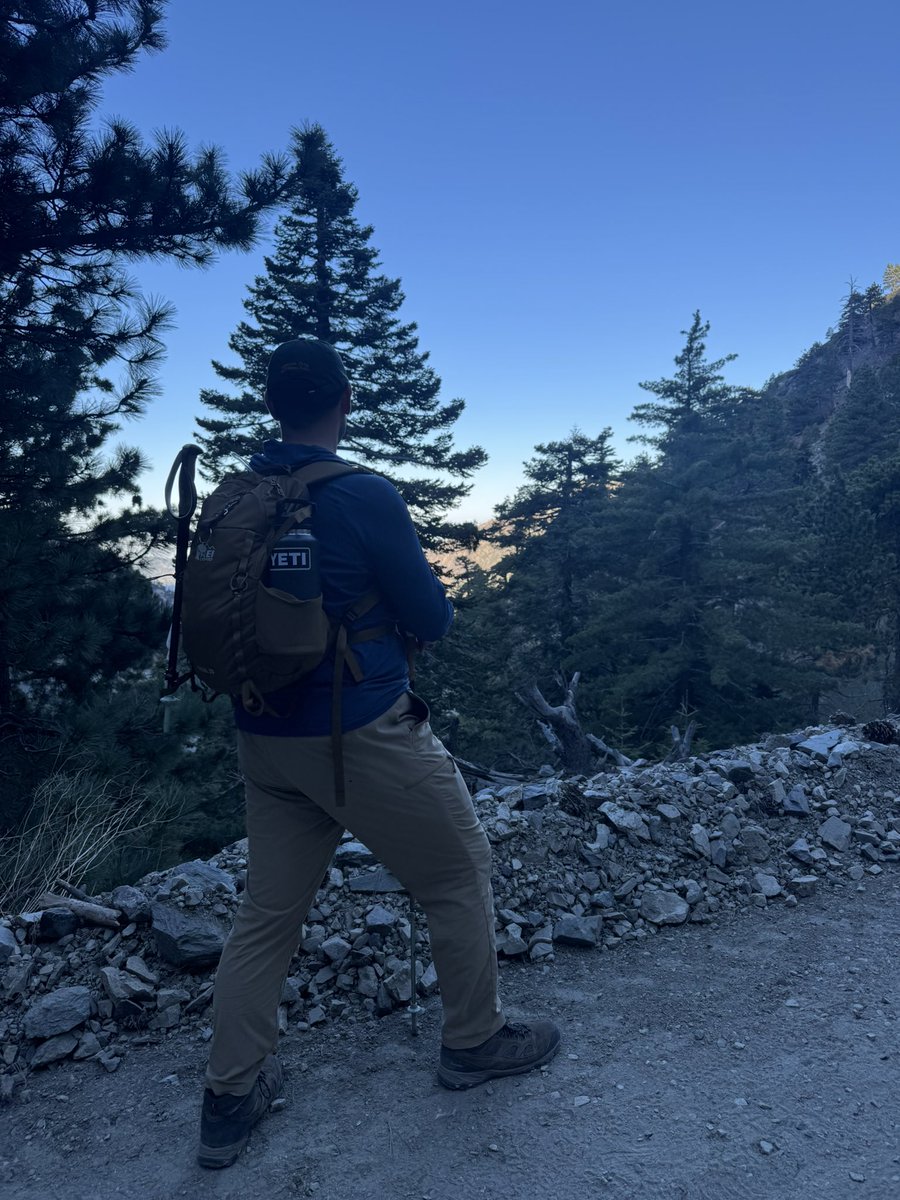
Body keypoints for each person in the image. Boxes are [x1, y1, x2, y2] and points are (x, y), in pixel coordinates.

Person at [197, 338, 561, 1169]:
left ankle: (228, 1097)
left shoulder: (240, 495)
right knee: (456, 873)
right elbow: (432, 618)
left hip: (264, 739)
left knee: (266, 914)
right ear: (343, 403)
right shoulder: (362, 494)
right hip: (359, 735)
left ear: (272, 404)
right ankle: (473, 1040)